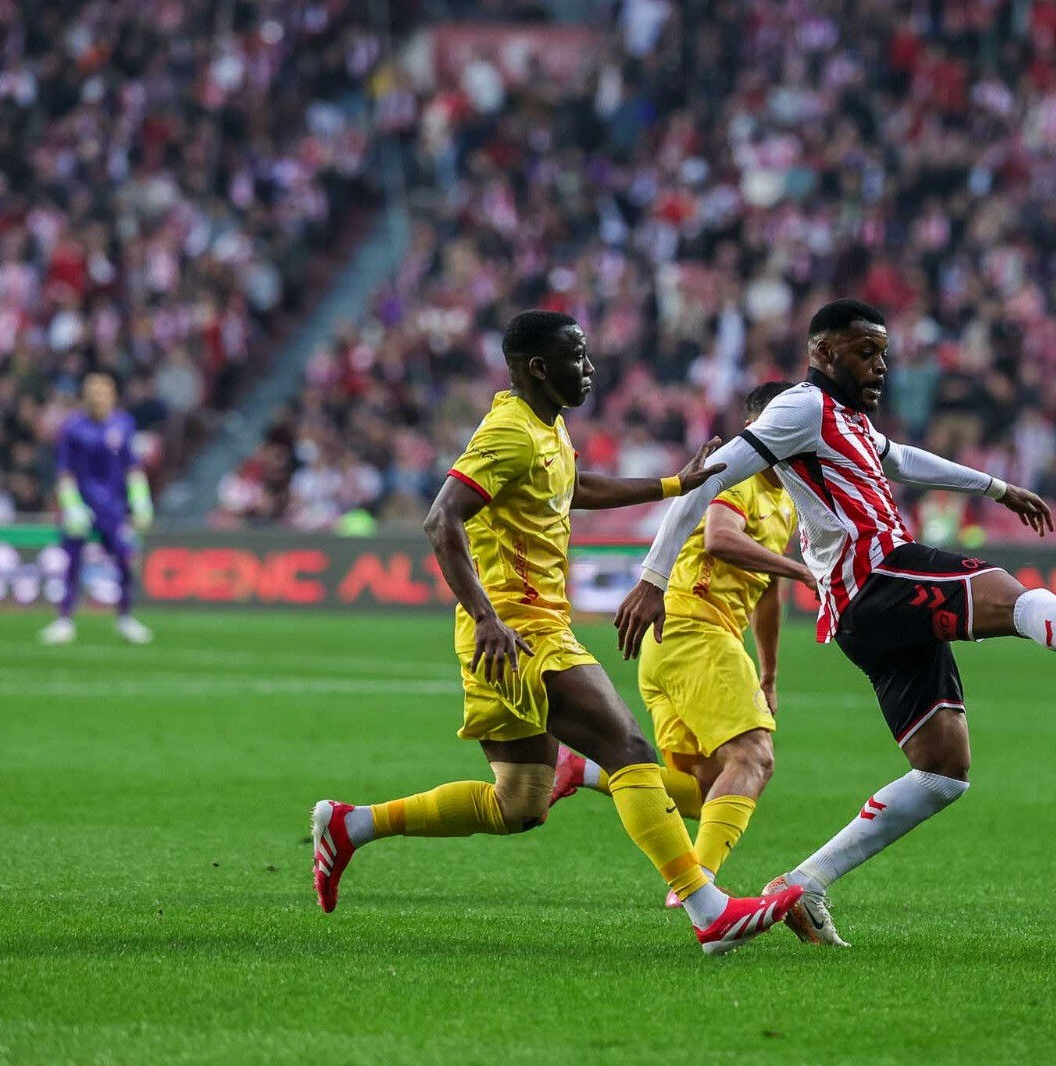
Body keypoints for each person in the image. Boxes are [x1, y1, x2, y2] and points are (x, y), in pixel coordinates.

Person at [614, 299, 1056, 946]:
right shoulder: (801, 407)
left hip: (865, 608)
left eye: (884, 352)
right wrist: (654, 579)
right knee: (1006, 595)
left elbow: (903, 459)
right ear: (825, 352)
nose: (881, 365)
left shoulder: (849, 421)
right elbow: (703, 481)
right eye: (866, 352)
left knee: (942, 770)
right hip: (877, 576)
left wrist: (995, 488)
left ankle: (802, 885)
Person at [311, 311, 802, 955]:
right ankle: (709, 910)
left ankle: (352, 825)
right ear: (538, 366)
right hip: (519, 629)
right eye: (577, 356)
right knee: (628, 748)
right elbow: (441, 520)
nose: (589, 367)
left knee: (519, 806)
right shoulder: (510, 432)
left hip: (524, 629)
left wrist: (674, 483)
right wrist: (487, 617)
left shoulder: (548, 427)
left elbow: (576, 487)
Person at [551, 381, 816, 912]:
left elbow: (767, 592)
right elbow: (720, 538)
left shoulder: (784, 497)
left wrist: (769, 673)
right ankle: (700, 887)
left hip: (676, 645)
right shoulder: (737, 474)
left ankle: (586, 770)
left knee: (709, 784)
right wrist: (799, 566)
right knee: (754, 759)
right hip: (696, 631)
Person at [39, 372, 155, 645]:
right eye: (92, 392)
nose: (97, 398)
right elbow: (64, 472)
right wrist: (72, 506)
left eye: (102, 392)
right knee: (72, 563)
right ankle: (64, 619)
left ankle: (125, 617)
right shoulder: (72, 428)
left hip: (113, 508)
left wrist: (141, 499)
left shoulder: (124, 425)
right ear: (84, 396)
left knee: (125, 560)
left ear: (112, 395)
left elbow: (132, 466)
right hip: (81, 506)